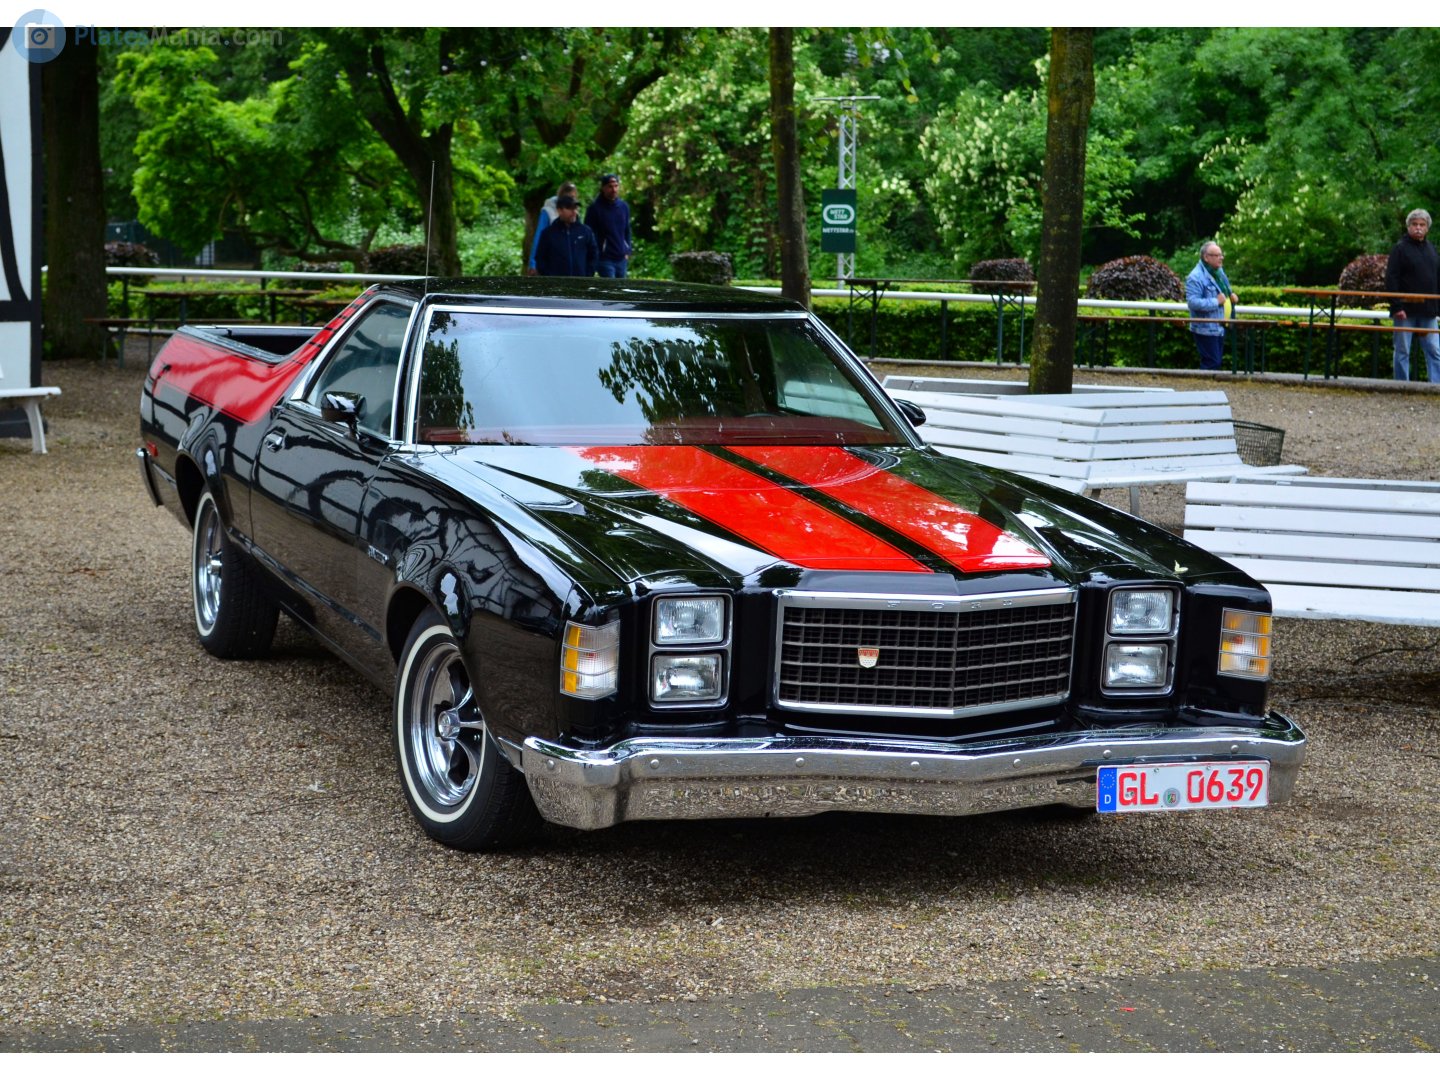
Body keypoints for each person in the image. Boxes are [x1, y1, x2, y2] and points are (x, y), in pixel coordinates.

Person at [1384, 208, 1440, 383]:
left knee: (1434, 350)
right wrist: (1396, 306)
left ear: (1427, 228)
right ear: (1408, 226)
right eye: (1414, 224)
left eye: (1422, 225)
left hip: (1428, 310)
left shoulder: (1432, 249)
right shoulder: (1400, 248)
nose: (1418, 228)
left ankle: (1436, 386)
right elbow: (1391, 278)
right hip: (1405, 309)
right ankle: (1401, 385)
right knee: (1402, 350)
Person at [1185, 241, 1238, 371]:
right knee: (1212, 363)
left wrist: (1230, 293)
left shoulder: (1218, 271)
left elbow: (1225, 285)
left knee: (1216, 362)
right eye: (1217, 255)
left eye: (1221, 255)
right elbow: (1193, 302)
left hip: (1220, 326)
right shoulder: (1195, 277)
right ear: (1206, 257)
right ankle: (1205, 390)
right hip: (1206, 327)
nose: (1221, 258)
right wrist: (1216, 301)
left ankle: (1210, 389)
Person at [533, 194, 597, 277]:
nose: (574, 212)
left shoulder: (585, 231)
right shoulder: (548, 233)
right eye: (570, 208)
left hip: (580, 282)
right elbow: (540, 258)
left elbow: (593, 255)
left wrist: (587, 275)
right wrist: (549, 277)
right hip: (556, 284)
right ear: (559, 210)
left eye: (575, 208)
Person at [584, 172, 632, 278]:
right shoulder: (595, 208)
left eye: (616, 186)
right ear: (603, 188)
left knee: (622, 289)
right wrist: (596, 254)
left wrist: (627, 250)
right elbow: (589, 233)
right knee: (612, 289)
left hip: (621, 257)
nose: (614, 189)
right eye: (610, 187)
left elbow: (627, 230)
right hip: (605, 259)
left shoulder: (624, 207)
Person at [526, 182, 579, 276]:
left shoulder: (574, 214)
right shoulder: (548, 211)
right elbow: (539, 236)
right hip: (551, 259)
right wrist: (533, 263)